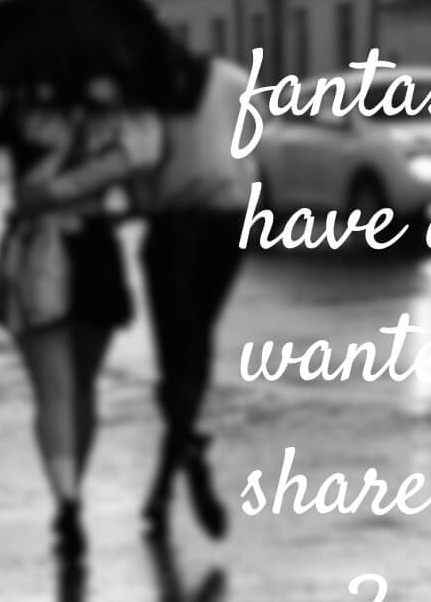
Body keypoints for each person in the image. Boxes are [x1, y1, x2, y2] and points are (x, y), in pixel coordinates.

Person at [16, 53, 255, 541]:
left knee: (177, 353)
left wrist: (129, 199)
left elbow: (140, 172)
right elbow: (249, 152)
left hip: (175, 230)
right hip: (228, 224)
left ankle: (185, 457)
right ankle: (168, 481)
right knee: (197, 349)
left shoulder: (144, 97)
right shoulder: (232, 78)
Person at [0, 86, 134, 557]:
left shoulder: (18, 111)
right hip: (95, 251)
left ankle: (67, 499)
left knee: (54, 391)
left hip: (33, 251)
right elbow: (139, 173)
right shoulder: (113, 112)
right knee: (82, 389)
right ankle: (72, 494)